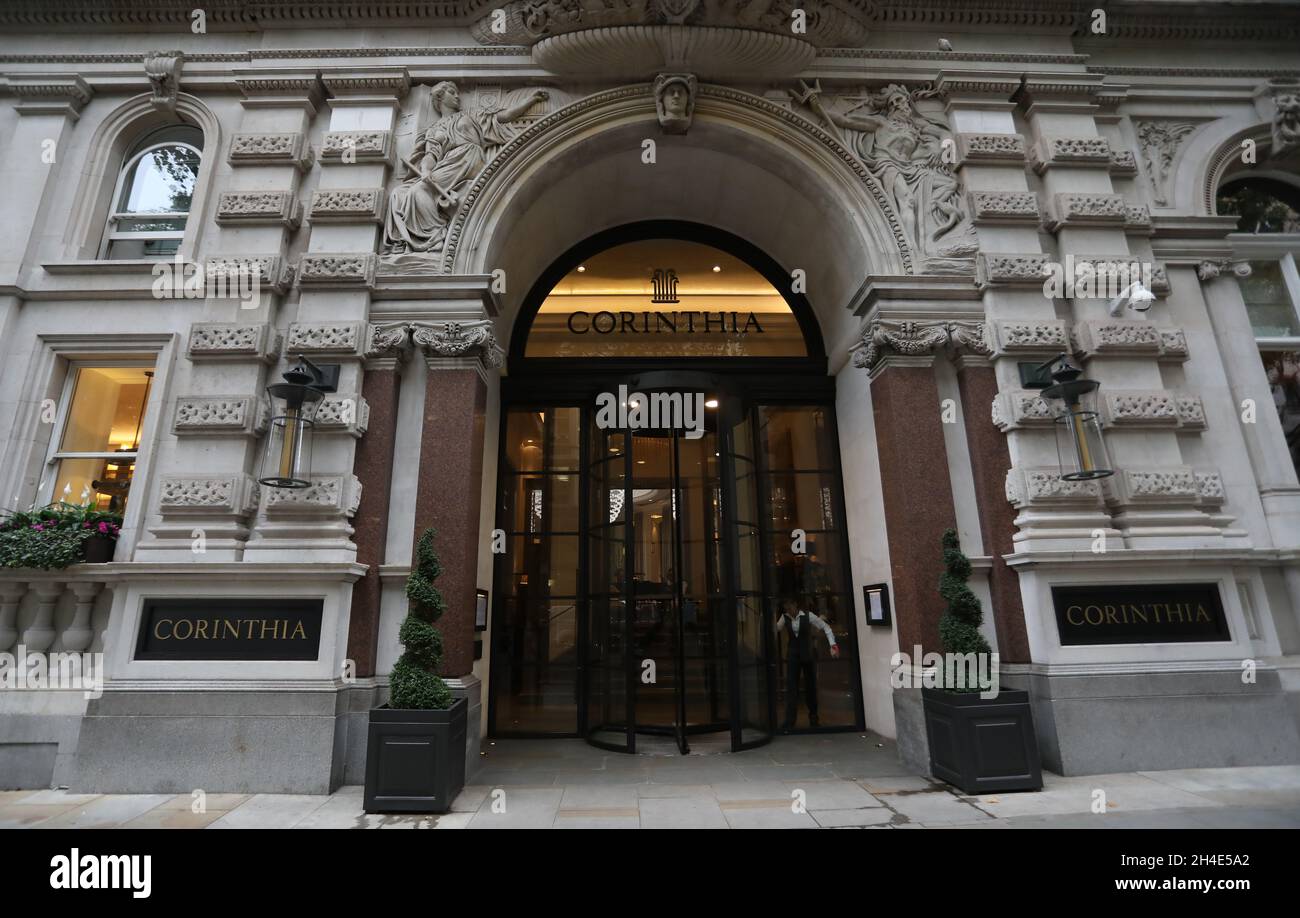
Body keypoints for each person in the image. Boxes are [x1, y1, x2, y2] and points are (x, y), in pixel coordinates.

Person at [774, 598, 840, 730]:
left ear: (795, 604)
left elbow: (825, 627)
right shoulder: (784, 617)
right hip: (793, 656)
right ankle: (789, 721)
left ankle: (814, 717)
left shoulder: (808, 615)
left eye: (789, 607)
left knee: (811, 687)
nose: (788, 610)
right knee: (792, 688)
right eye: (785, 608)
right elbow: (775, 630)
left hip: (807, 655)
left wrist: (833, 644)